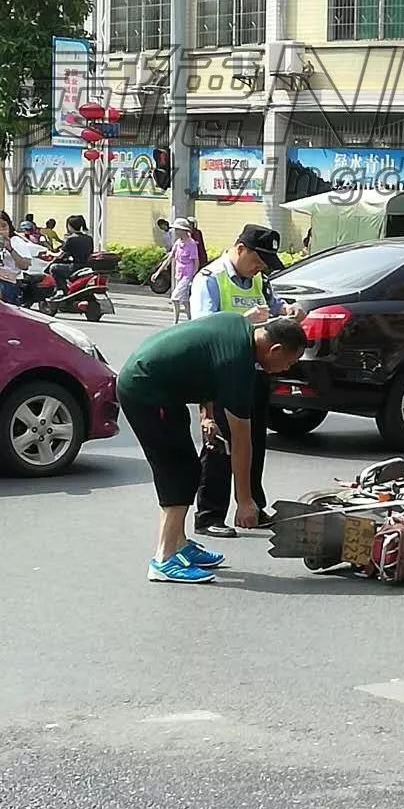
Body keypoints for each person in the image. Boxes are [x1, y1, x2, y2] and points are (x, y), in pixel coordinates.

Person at [116, 314, 309, 583]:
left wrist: (206, 414)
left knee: (191, 468)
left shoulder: (239, 327)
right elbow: (242, 439)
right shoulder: (238, 364)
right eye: (289, 361)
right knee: (177, 472)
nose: (286, 369)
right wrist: (244, 501)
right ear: (274, 349)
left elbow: (202, 362)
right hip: (145, 391)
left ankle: (180, 544)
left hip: (163, 390)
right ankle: (164, 559)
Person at [191, 223, 304, 539]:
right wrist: (243, 321)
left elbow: (277, 307)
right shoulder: (209, 280)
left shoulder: (259, 280)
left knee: (253, 442)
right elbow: (202, 332)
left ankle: (252, 505)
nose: (261, 267)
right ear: (241, 249)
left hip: (256, 372)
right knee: (219, 445)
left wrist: (291, 312)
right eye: (258, 259)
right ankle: (210, 514)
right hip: (221, 374)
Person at [152, 217, 200, 323]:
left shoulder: (191, 244)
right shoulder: (178, 243)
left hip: (187, 275)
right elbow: (170, 257)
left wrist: (193, 277)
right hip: (179, 274)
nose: (176, 232)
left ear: (184, 230)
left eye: (178, 229)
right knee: (184, 300)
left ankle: (176, 322)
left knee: (175, 297)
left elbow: (196, 262)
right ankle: (190, 320)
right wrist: (158, 272)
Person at [50, 215, 92, 292]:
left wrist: (50, 253)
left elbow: (60, 255)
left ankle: (61, 291)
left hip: (75, 267)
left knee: (54, 268)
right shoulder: (89, 238)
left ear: (69, 226)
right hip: (87, 265)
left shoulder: (71, 239)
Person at [0, 212, 31, 305]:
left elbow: (25, 265)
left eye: (3, 226)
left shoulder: (16, 241)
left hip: (9, 282)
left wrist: (10, 249)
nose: (1, 230)